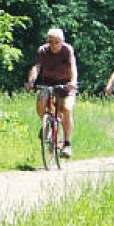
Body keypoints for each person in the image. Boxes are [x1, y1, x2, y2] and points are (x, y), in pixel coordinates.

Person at [26, 27, 78, 157]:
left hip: (66, 85)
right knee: (41, 101)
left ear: (62, 41)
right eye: (51, 42)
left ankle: (67, 144)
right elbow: (36, 67)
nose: (54, 45)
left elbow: (73, 66)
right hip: (48, 83)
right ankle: (46, 124)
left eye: (57, 42)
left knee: (66, 109)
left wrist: (73, 82)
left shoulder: (67, 50)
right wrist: (31, 81)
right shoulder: (43, 50)